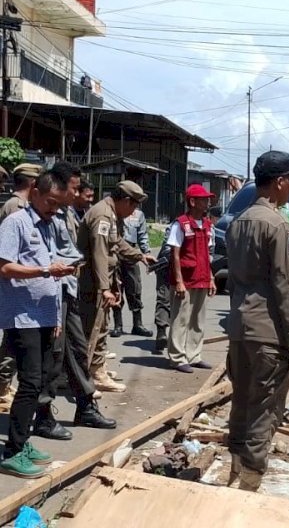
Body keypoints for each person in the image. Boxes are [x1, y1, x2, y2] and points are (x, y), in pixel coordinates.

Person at [225, 151, 289, 491]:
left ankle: (235, 469)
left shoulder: (237, 221)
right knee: (266, 408)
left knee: (241, 401)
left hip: (239, 328)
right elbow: (285, 287)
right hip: (268, 331)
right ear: (279, 182)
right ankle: (250, 482)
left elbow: (232, 279)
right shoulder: (277, 224)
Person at [0, 171, 75, 477]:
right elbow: (5, 267)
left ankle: (24, 440)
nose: (54, 209)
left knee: (42, 379)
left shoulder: (50, 226)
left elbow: (54, 278)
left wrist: (55, 316)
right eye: (50, 202)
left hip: (44, 317)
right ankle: (13, 451)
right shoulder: (15, 223)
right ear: (34, 193)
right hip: (22, 316)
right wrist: (44, 270)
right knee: (29, 382)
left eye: (58, 204)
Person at [33, 162, 115, 440]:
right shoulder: (36, 215)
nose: (78, 193)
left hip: (66, 290)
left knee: (78, 350)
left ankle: (85, 406)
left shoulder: (64, 215)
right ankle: (42, 415)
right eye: (75, 188)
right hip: (47, 294)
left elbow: (71, 252)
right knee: (51, 357)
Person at [77, 181, 155, 393]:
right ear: (126, 201)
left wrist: (139, 255)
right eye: (134, 206)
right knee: (94, 329)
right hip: (92, 284)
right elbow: (100, 254)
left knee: (101, 327)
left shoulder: (112, 215)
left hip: (102, 282)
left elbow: (118, 243)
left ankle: (97, 368)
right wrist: (104, 288)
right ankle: (86, 374)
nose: (134, 211)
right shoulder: (103, 215)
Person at [0, 163, 42, 409]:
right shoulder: (16, 207)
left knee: (12, 340)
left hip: (18, 281)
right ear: (32, 183)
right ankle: (2, 386)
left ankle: (4, 384)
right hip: (15, 281)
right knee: (12, 340)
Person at [167, 184, 216, 373]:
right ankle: (177, 358)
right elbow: (175, 253)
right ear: (193, 202)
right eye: (203, 199)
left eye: (208, 199)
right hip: (185, 280)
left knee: (198, 320)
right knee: (180, 319)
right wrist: (178, 281)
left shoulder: (208, 225)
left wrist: (211, 278)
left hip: (202, 278)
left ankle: (194, 355)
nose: (207, 202)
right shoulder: (180, 224)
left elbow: (208, 254)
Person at [112, 204, 153, 338]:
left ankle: (138, 324)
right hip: (115, 252)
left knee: (135, 288)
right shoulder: (113, 211)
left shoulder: (138, 214)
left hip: (132, 253)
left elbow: (142, 235)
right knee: (116, 288)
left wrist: (146, 252)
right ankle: (118, 325)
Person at [152, 222, 175, 355]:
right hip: (167, 265)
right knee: (163, 298)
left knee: (179, 303)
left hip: (188, 271)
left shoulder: (207, 228)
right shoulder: (176, 226)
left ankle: (176, 337)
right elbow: (167, 248)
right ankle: (161, 333)